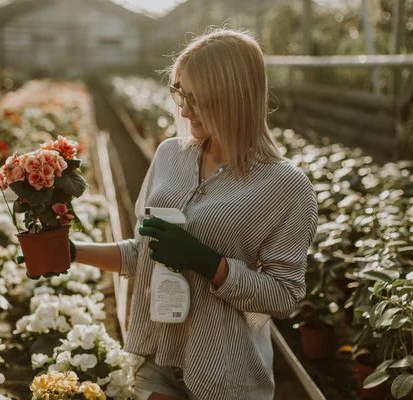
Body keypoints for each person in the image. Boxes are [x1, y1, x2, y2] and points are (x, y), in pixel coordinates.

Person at [70, 28, 318, 400]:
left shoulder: (286, 186)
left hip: (227, 376)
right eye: (180, 94)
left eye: (195, 98)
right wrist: (72, 252)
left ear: (232, 97)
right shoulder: (171, 154)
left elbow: (285, 296)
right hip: (158, 358)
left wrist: (212, 265)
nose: (183, 110)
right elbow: (143, 253)